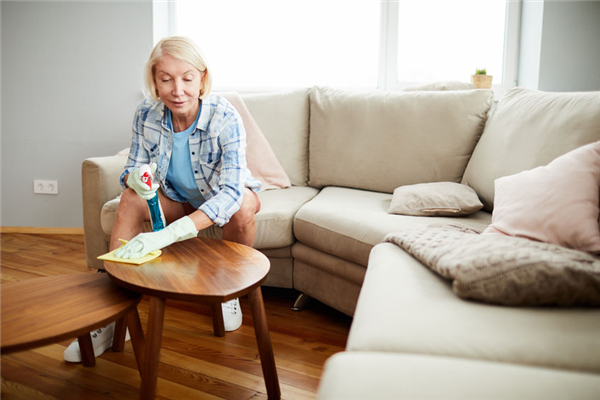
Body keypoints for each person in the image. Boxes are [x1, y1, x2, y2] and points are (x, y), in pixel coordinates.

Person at [64, 36, 262, 362]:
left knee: (240, 206)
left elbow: (230, 191)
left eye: (187, 78)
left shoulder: (225, 118)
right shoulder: (147, 113)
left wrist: (174, 231)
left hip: (226, 196)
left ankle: (229, 289)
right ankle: (116, 312)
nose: (177, 89)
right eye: (166, 79)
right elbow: (131, 169)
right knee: (129, 199)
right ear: (154, 81)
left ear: (202, 79)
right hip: (177, 196)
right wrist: (137, 181)